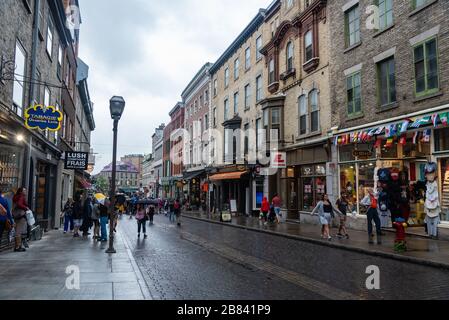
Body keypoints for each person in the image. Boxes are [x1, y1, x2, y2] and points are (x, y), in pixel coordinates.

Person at [12, 188, 30, 252]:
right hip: (21, 216)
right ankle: (18, 247)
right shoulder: (21, 197)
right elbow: (20, 204)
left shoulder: (15, 197)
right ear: (21, 192)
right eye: (24, 190)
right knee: (18, 231)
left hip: (16, 216)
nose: (25, 191)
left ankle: (16, 246)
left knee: (17, 230)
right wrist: (26, 208)